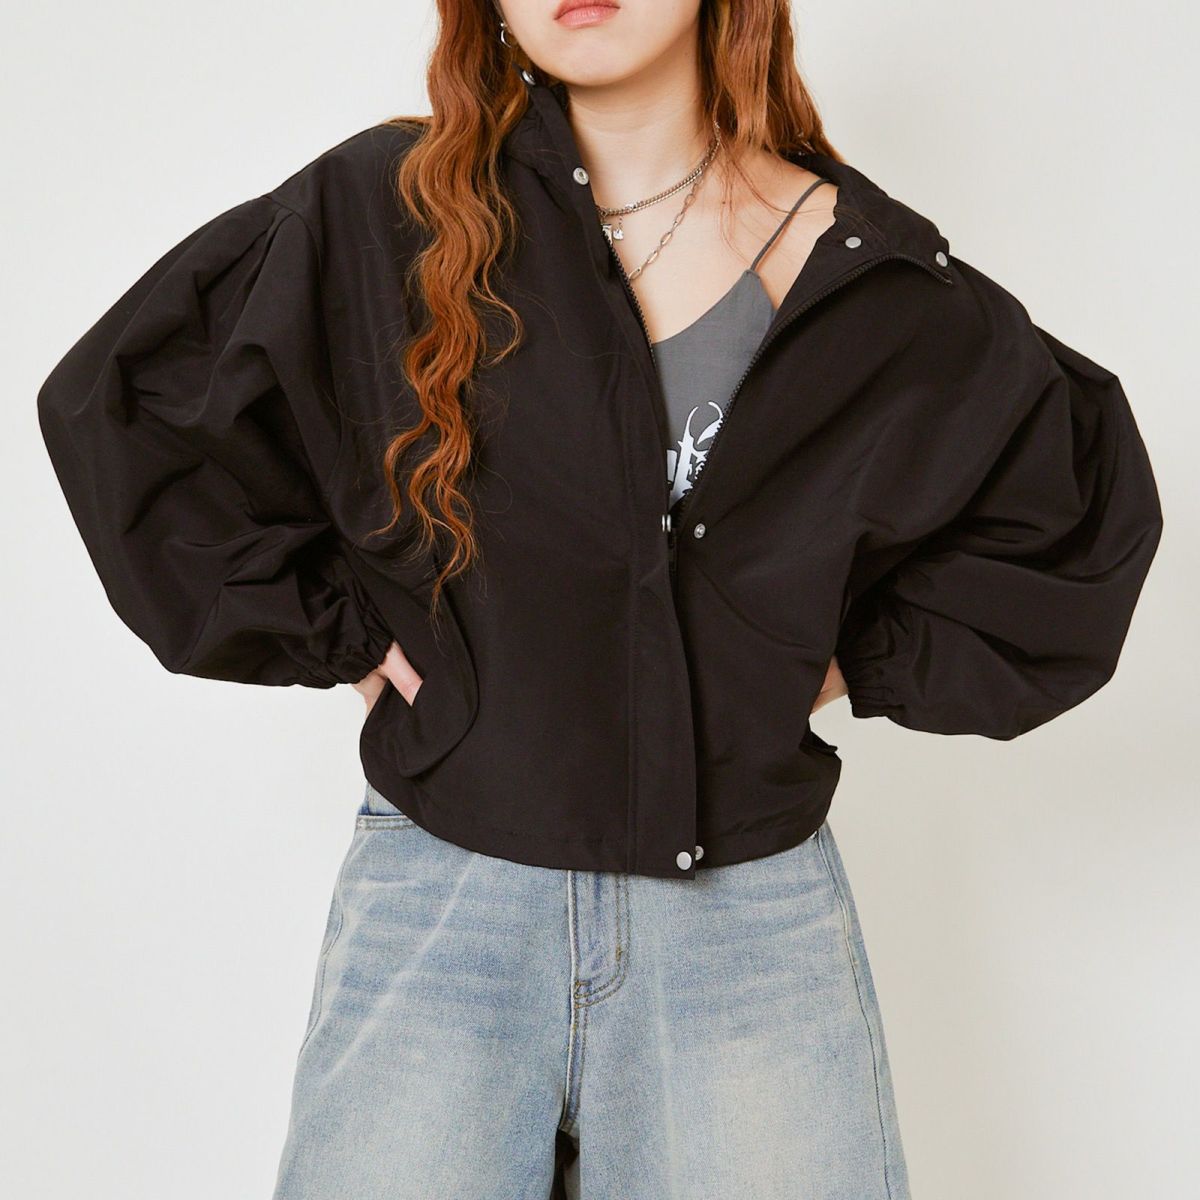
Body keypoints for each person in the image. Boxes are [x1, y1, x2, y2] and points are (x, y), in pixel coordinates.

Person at [36, 1, 1163, 1197]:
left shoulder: (873, 275)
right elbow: (130, 404)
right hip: (446, 903)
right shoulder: (384, 210)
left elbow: (1078, 511)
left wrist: (840, 663)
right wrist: (345, 634)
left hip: (747, 927)